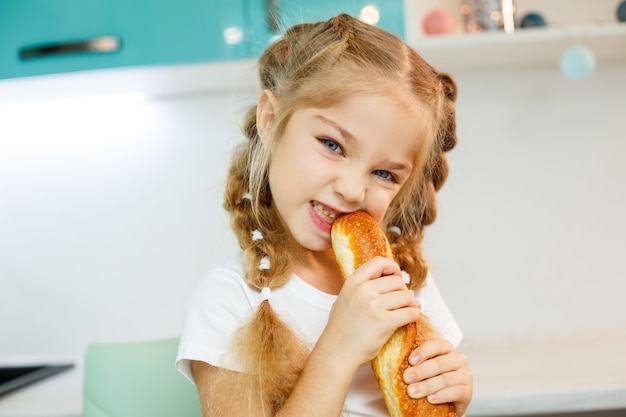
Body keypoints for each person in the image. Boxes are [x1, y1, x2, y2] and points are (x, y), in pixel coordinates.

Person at [176, 13, 473, 417]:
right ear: (270, 120)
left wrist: (451, 394)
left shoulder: (402, 281)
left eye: (384, 173)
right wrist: (339, 348)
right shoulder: (230, 301)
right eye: (332, 144)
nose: (352, 190)